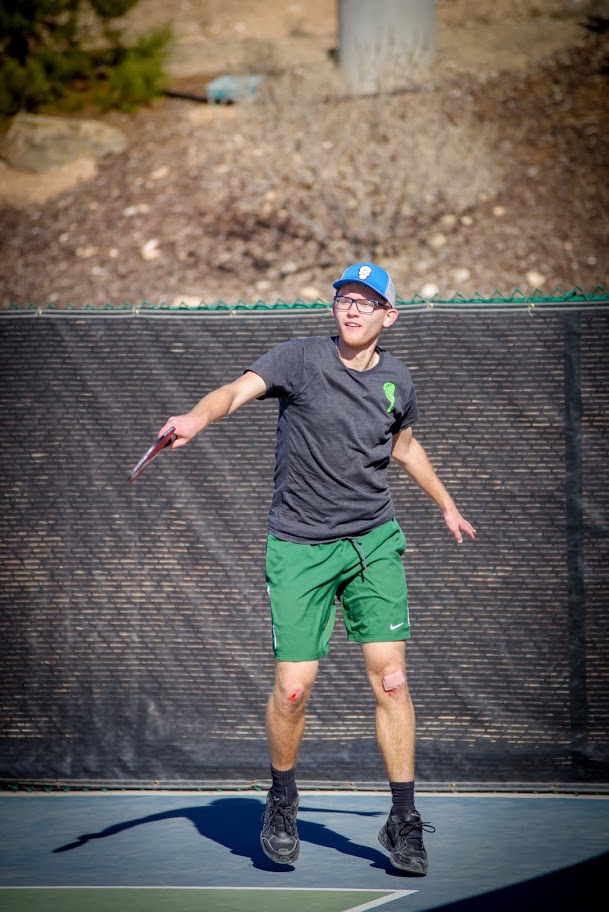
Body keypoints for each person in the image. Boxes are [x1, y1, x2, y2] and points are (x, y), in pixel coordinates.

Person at [159, 262, 476, 875]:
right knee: (294, 688)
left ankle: (403, 819)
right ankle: (281, 800)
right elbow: (233, 391)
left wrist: (447, 504)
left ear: (389, 316)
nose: (352, 310)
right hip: (301, 546)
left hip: (373, 543)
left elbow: (403, 446)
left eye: (367, 302)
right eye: (344, 300)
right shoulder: (298, 358)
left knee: (392, 681)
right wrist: (198, 417)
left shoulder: (397, 380)